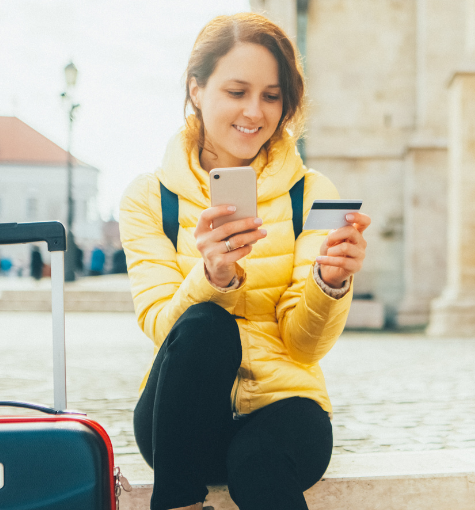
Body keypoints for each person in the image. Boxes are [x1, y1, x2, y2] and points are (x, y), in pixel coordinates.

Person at [120, 13, 371, 510]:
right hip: (182, 419)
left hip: (285, 408)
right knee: (206, 324)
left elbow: (304, 346)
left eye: (271, 96)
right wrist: (211, 277)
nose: (255, 112)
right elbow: (159, 327)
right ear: (196, 89)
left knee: (258, 466)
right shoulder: (149, 198)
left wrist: (329, 283)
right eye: (237, 91)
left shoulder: (312, 194)